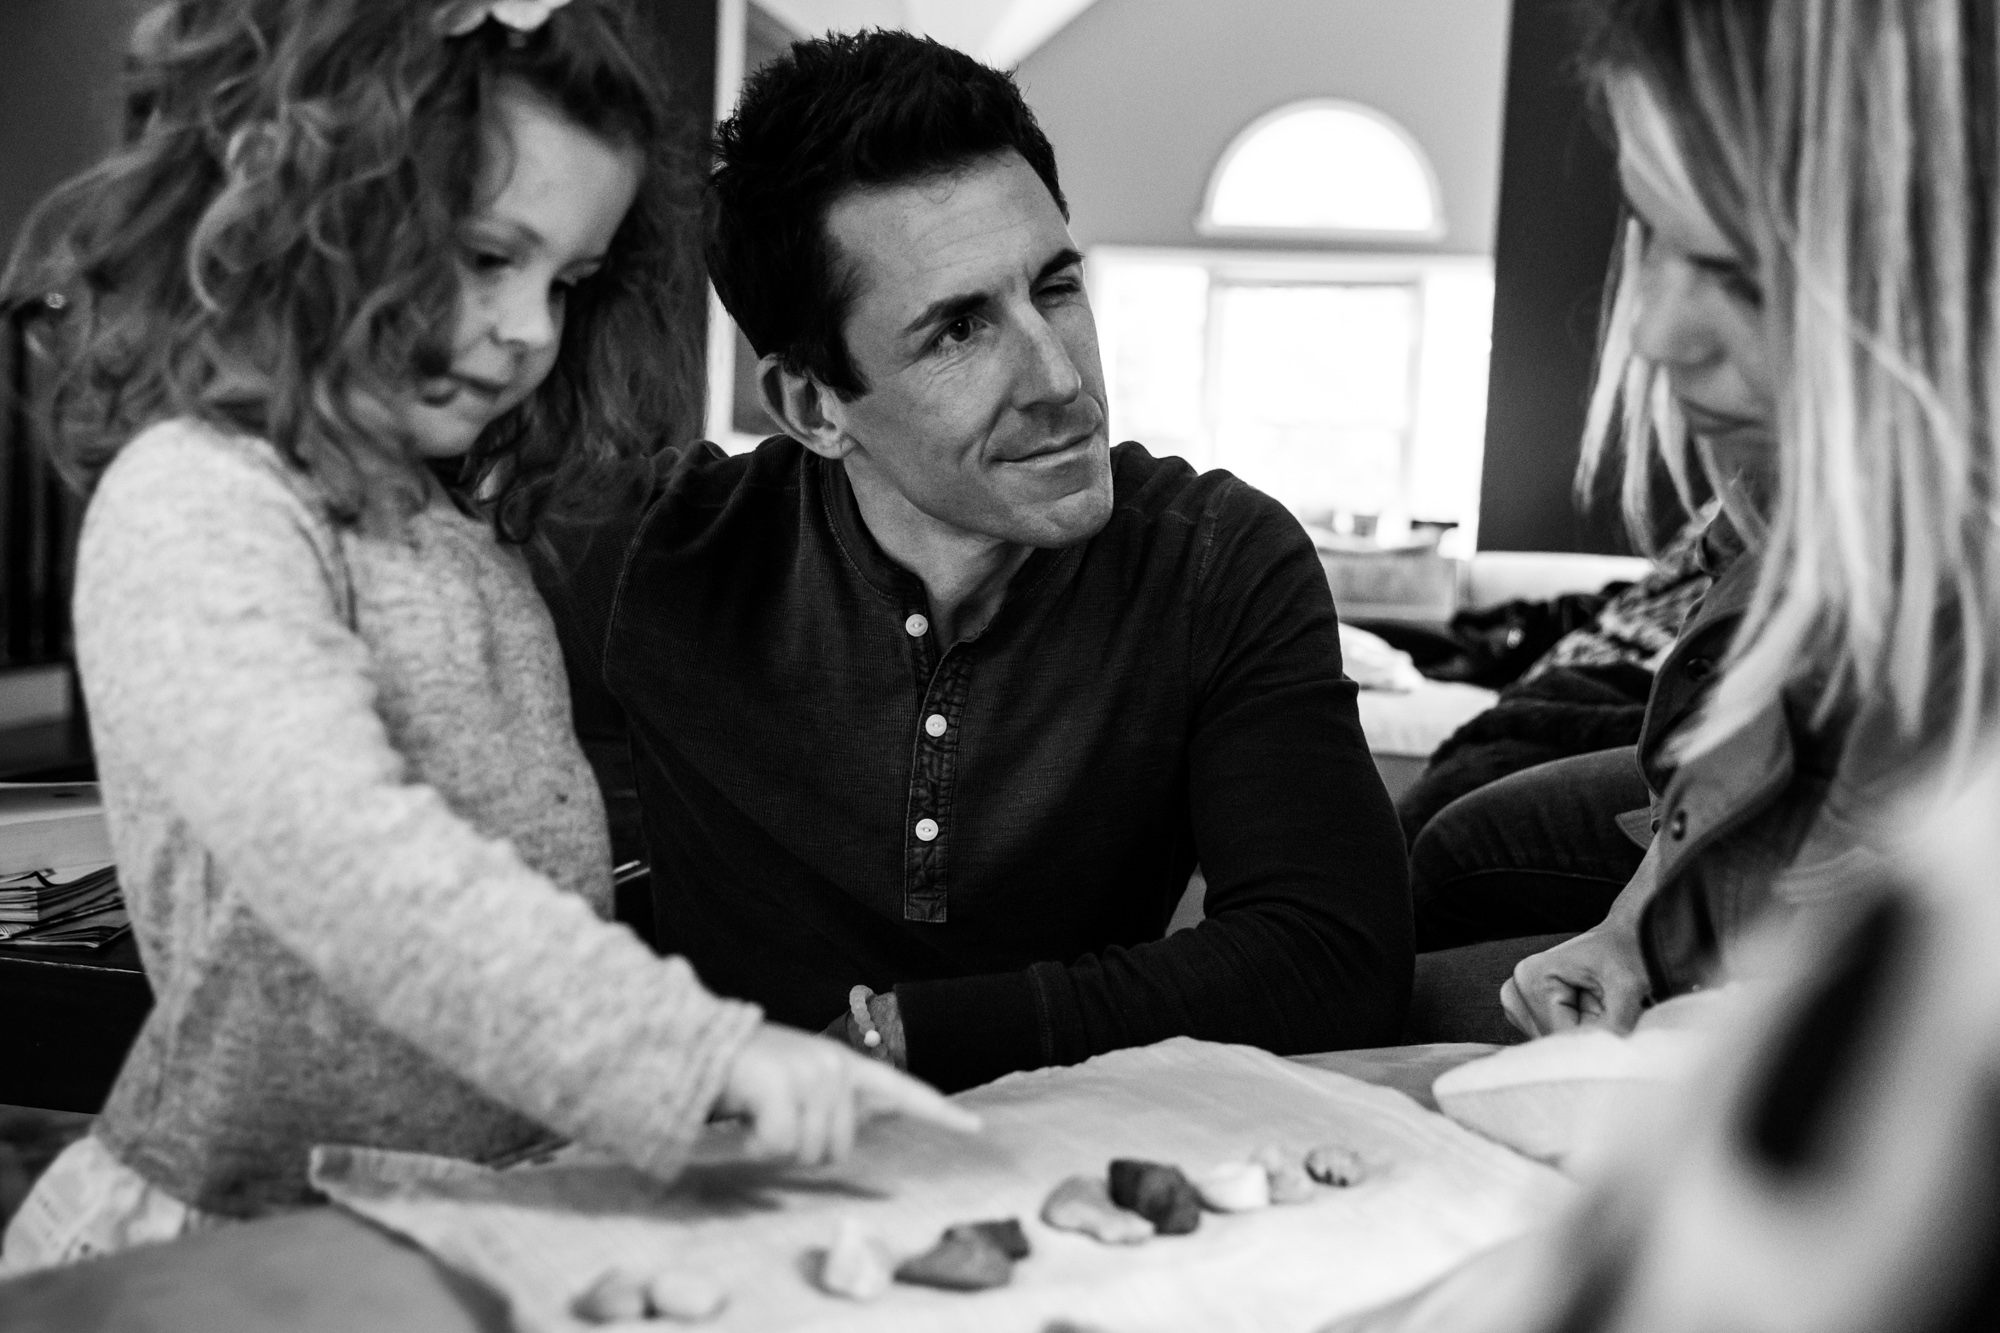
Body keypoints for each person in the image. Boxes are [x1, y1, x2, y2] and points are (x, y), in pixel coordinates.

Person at [0, 0, 968, 1275]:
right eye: (481, 255)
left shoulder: (450, 530)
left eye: (565, 282)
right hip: (257, 1239)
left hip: (463, 1215)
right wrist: (694, 1050)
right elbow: (350, 864)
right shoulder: (197, 499)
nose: (526, 328)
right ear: (312, 215)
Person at [537, 29, 1411, 1095]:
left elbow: (1333, 956)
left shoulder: (1219, 557)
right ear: (813, 406)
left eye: (1053, 288)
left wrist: (911, 1037)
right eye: (956, 331)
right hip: (731, 1179)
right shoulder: (653, 551)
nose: (1058, 379)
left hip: (1071, 1180)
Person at [1494, 0, 2000, 1037]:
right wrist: (1628, 930)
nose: (1650, 333)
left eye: (1739, 276)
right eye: (1648, 233)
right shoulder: (1809, 479)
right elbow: (1744, 758)